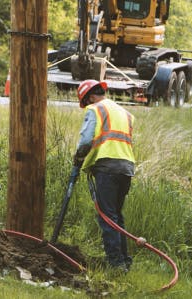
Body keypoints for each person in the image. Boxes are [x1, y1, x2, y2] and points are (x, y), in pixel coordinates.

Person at [72, 79, 135, 272]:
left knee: (107, 217)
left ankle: (115, 264)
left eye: (86, 102)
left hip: (107, 167)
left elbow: (86, 140)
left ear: (90, 97)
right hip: (126, 166)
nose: (86, 106)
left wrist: (78, 158)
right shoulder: (125, 113)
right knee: (116, 216)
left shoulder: (95, 109)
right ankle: (124, 261)